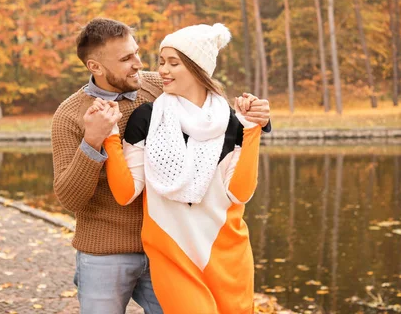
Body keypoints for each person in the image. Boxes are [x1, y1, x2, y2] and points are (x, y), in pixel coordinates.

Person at [51, 18, 271, 314]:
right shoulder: (69, 115)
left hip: (170, 248)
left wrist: (260, 118)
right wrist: (93, 140)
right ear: (96, 67)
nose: (140, 64)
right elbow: (69, 198)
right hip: (106, 252)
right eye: (127, 58)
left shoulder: (155, 85)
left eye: (138, 53)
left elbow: (210, 108)